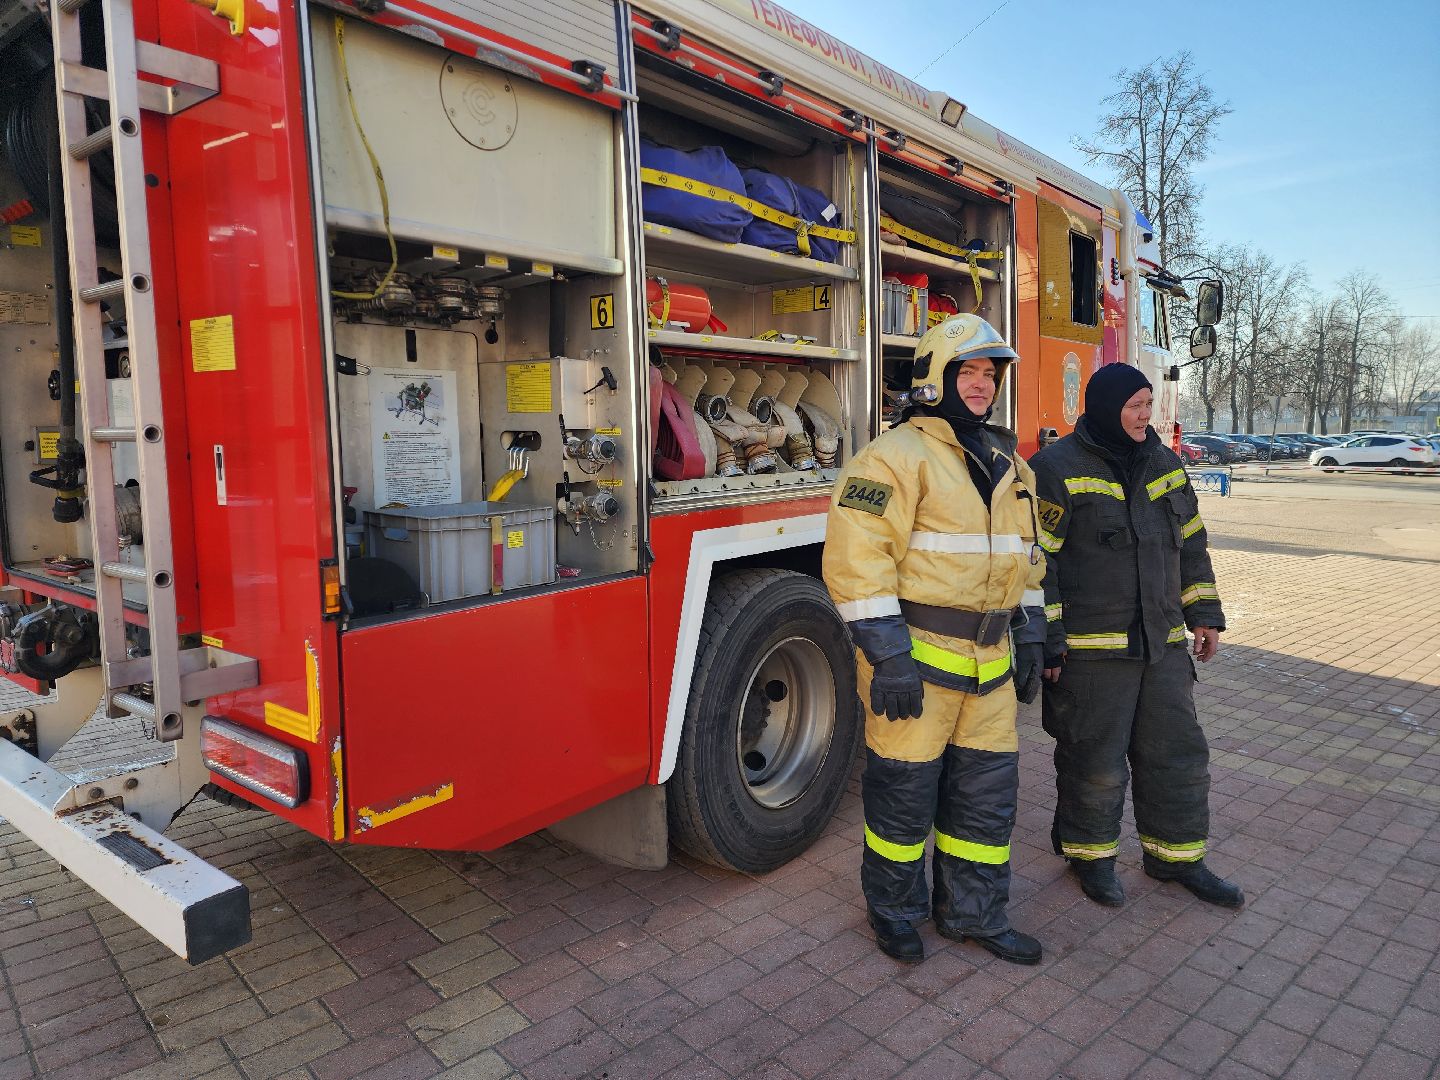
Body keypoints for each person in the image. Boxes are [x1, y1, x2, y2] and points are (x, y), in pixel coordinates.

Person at [823, 314, 1048, 965]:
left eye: (989, 373)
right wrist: (888, 655)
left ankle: (974, 916)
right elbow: (857, 561)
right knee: (903, 803)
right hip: (916, 667)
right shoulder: (893, 457)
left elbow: (1027, 560)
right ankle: (893, 912)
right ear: (935, 378)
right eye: (968, 371)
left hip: (992, 670)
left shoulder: (1010, 464)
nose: (981, 385)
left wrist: (1032, 635)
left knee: (985, 807)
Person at [1030, 363, 1242, 910]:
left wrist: (1206, 615)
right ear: (1106, 407)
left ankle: (1176, 859)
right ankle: (1091, 860)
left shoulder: (1166, 465)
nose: (1146, 416)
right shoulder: (1053, 468)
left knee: (1177, 755)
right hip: (1093, 656)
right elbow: (1038, 564)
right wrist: (1048, 638)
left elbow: (1191, 547)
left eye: (1149, 404)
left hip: (1163, 648)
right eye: (1135, 406)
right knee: (1093, 762)